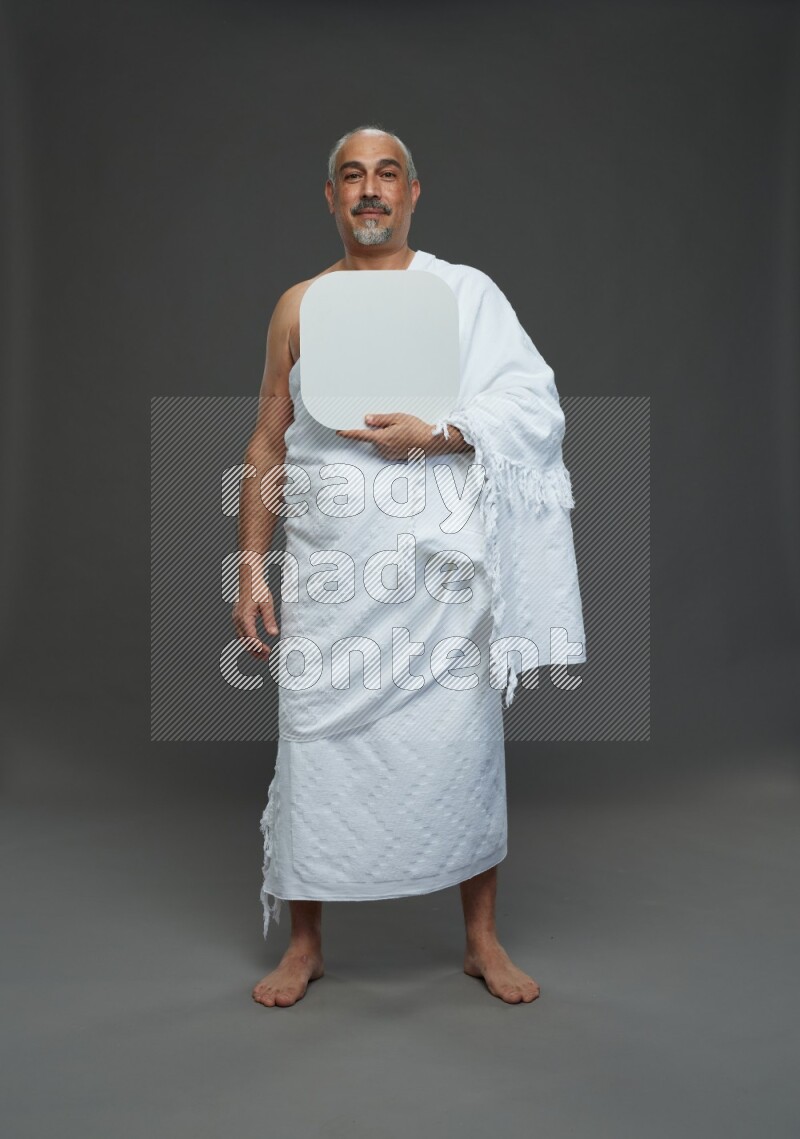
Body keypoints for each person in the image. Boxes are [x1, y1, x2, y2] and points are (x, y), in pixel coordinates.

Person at [233, 125, 586, 1008]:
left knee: (460, 745)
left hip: (439, 581)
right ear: (330, 197)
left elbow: (532, 403)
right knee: (313, 746)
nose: (370, 190)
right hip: (333, 574)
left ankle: (480, 940)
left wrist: (443, 433)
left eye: (387, 174)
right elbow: (268, 439)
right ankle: (305, 946)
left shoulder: (465, 295)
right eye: (352, 176)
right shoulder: (298, 305)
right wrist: (249, 564)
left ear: (413, 193)